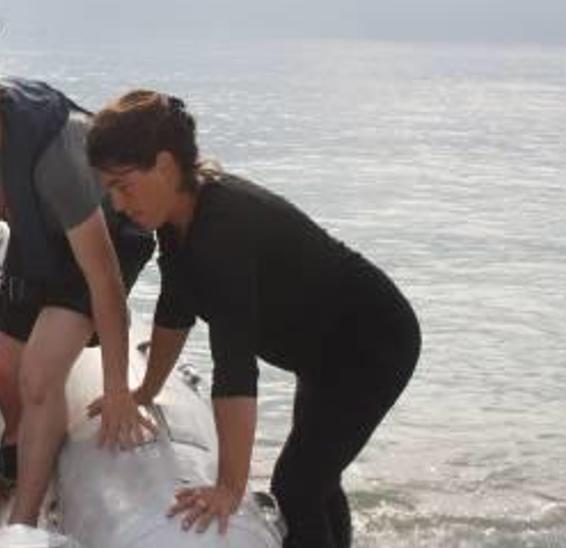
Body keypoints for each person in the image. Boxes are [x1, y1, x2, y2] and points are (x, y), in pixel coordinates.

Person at [84, 90, 421, 547]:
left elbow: (236, 371)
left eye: (123, 185)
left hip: (373, 344)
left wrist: (229, 488)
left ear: (164, 166)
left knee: (296, 487)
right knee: (317, 477)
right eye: (110, 190)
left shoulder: (222, 231)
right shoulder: (178, 219)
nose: (119, 205)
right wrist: (144, 391)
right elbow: (175, 310)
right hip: (327, 352)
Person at [0, 36, 155, 526]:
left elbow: (103, 276)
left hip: (100, 239)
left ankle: (23, 520)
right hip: (36, 231)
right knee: (4, 375)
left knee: (38, 377)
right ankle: (25, 447)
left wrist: (119, 387)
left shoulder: (57, 153)